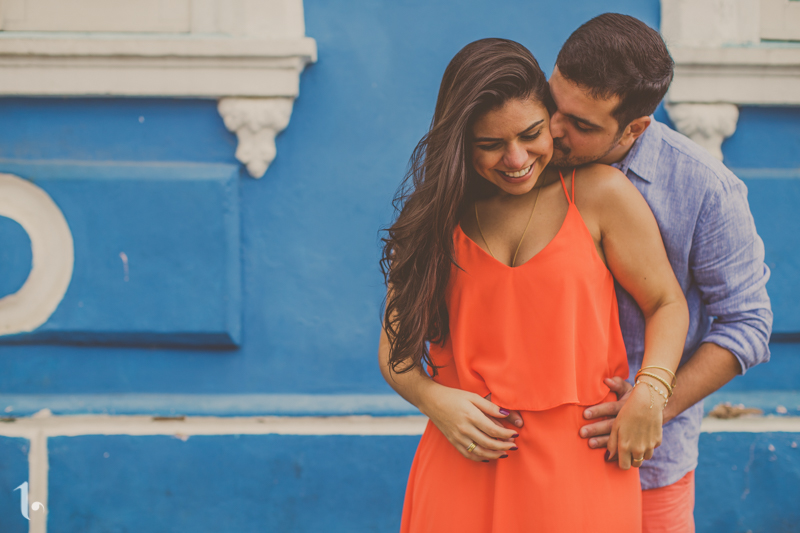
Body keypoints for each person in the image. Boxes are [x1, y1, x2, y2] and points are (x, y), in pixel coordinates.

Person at [378, 38, 689, 532]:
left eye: (531, 134)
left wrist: (652, 392)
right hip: (464, 456)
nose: (516, 157)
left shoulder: (599, 194)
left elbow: (666, 302)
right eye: (490, 144)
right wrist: (433, 399)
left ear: (552, 121)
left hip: (582, 463)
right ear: (461, 142)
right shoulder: (436, 218)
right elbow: (394, 350)